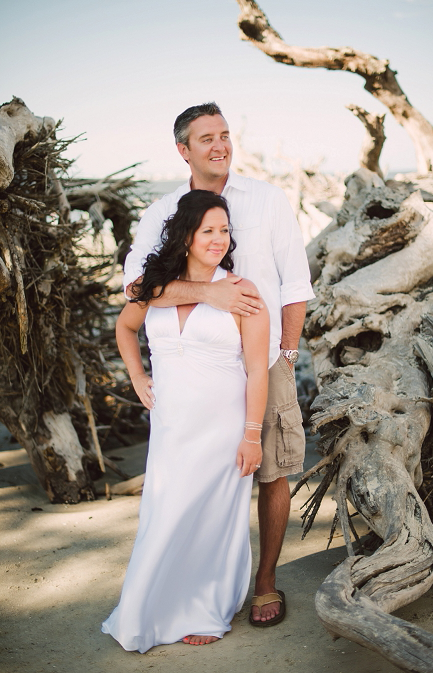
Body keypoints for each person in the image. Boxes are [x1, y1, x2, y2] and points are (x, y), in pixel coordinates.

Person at [122, 102, 316, 627]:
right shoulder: (163, 210)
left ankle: (266, 581)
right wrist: (210, 294)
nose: (219, 145)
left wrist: (288, 356)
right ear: (183, 149)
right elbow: (138, 290)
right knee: (193, 479)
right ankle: (190, 586)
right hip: (194, 368)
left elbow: (295, 286)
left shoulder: (268, 200)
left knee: (271, 468)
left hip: (267, 359)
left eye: (225, 134)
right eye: (206, 137)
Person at [102, 190, 270, 650]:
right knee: (165, 513)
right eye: (208, 231)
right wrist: (137, 375)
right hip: (171, 425)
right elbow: (124, 327)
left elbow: (258, 369)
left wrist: (251, 435)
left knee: (212, 517)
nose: (220, 239)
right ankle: (152, 605)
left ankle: (203, 606)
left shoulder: (242, 291)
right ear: (186, 236)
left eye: (225, 230)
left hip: (223, 425)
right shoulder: (157, 286)